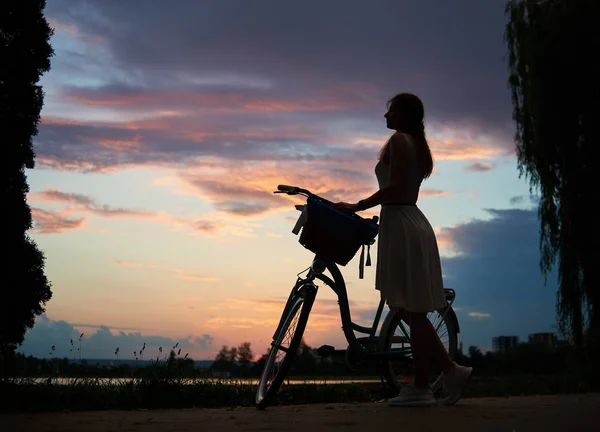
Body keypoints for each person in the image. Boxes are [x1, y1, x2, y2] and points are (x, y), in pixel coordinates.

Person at [333, 92, 472, 407]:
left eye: (391, 111)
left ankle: (422, 387)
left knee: (414, 310)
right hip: (409, 221)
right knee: (413, 310)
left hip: (401, 222)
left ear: (404, 115)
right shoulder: (417, 146)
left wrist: (357, 206)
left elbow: (393, 188)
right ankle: (450, 371)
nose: (385, 116)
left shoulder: (399, 141)